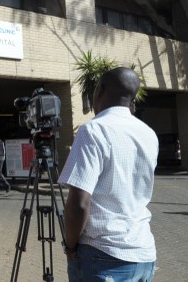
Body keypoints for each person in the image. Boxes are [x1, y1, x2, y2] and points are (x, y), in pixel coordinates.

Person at [59, 67, 158, 282]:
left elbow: (79, 204)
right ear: (132, 98)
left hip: (103, 256)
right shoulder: (149, 134)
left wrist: (70, 246)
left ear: (100, 90)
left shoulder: (93, 131)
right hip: (144, 254)